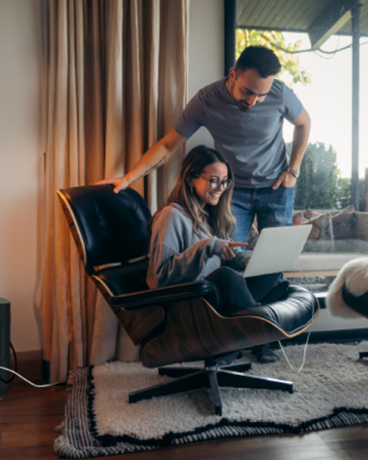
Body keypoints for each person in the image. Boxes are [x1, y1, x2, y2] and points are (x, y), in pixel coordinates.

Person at [101, 46, 311, 363]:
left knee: (268, 262)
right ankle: (232, 335)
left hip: (275, 186)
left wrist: (293, 169)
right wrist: (129, 178)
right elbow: (170, 143)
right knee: (225, 266)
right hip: (231, 189)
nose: (253, 101)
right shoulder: (206, 100)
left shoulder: (280, 94)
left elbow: (304, 122)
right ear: (232, 75)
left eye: (261, 96)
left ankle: (258, 337)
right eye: (248, 92)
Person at [147, 146, 289, 365]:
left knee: (269, 267)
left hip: (215, 298)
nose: (220, 188)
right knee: (226, 276)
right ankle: (258, 336)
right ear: (191, 179)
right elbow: (160, 277)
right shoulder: (171, 216)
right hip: (191, 305)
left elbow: (225, 253)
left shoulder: (209, 216)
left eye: (225, 181)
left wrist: (246, 259)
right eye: (214, 180)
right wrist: (207, 246)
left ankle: (239, 340)